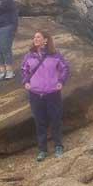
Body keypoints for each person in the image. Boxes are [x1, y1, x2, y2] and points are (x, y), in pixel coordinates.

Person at [21, 30, 70, 161]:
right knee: (39, 122)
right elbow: (24, 70)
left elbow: (65, 68)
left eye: (38, 37)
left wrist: (61, 81)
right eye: (34, 37)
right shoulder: (29, 55)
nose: (35, 39)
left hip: (52, 93)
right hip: (35, 94)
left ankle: (58, 146)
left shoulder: (55, 55)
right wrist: (26, 82)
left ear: (46, 40)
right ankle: (42, 150)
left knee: (56, 120)